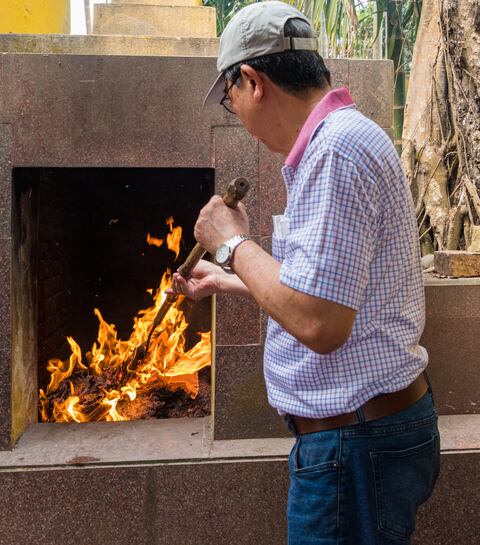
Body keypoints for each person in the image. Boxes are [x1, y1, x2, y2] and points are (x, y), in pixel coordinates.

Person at [168, 2, 440, 544]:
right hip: (359, 439)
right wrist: (227, 273)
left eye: (230, 97)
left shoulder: (336, 151)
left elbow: (319, 323)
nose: (236, 113)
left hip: (354, 447)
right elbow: (324, 288)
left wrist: (231, 242)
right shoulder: (338, 141)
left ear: (252, 80)